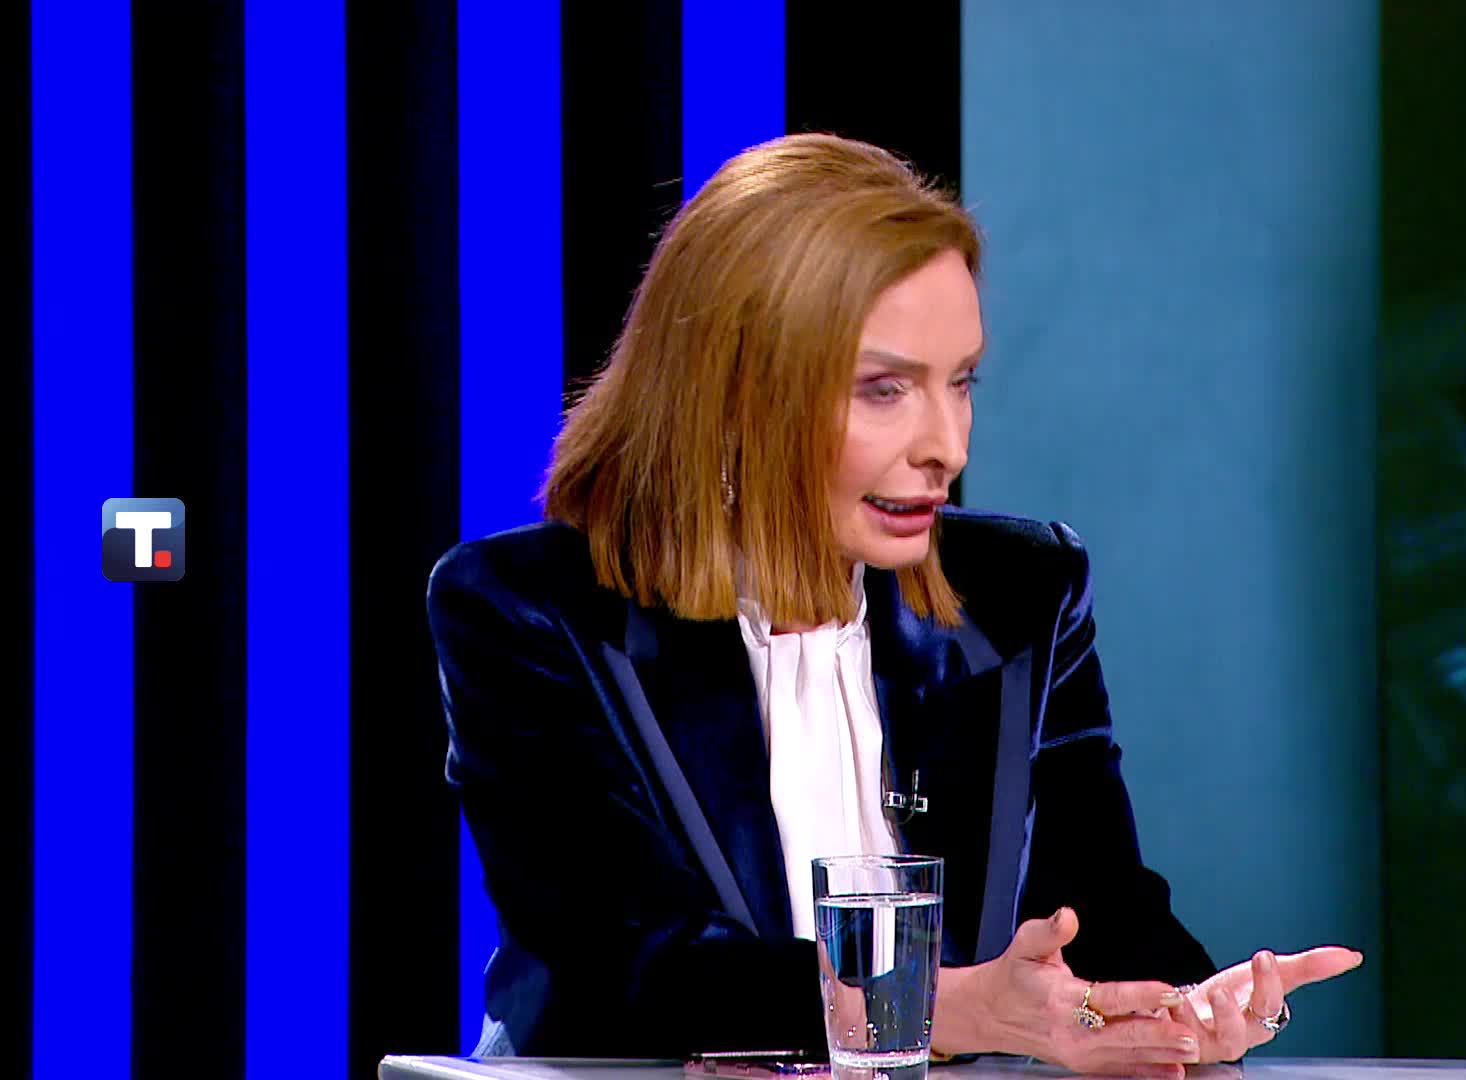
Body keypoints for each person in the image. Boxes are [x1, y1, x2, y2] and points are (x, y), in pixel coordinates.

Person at [425, 132, 1361, 1077]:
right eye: (885, 390)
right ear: (738, 392)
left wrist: (1180, 1010)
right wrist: (946, 1007)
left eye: (961, 382)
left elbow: (1101, 914)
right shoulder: (526, 610)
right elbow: (632, 966)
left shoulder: (1023, 592)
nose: (947, 446)